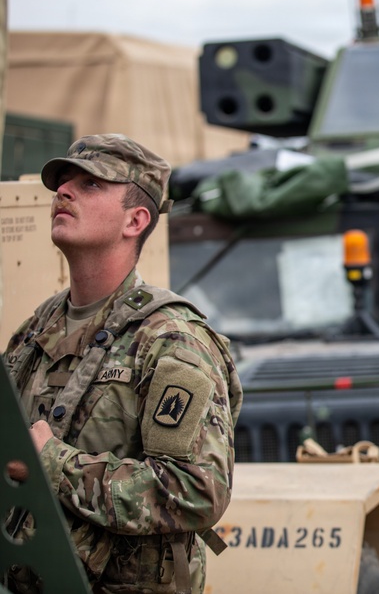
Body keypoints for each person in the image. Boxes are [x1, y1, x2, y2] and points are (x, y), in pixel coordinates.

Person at [3, 135, 242, 594]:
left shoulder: (172, 339)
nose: (63, 192)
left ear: (136, 220)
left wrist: (51, 463)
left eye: (90, 185)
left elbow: (196, 491)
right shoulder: (36, 329)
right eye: (63, 182)